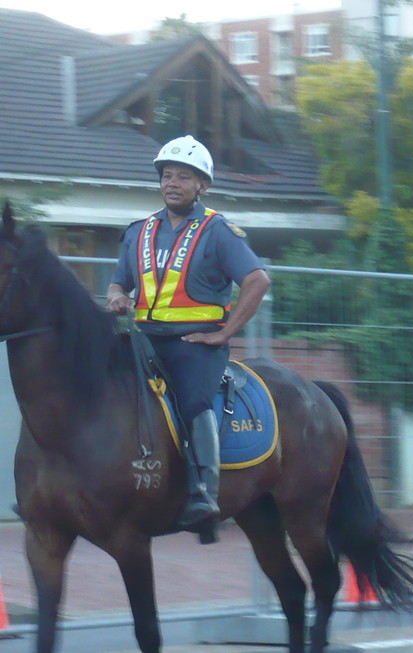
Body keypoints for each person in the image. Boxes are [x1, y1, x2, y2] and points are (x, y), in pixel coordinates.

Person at [107, 135, 271, 542]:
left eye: (183, 176)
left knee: (193, 400)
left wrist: (225, 333)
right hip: (142, 339)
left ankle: (203, 496)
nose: (172, 182)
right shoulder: (138, 232)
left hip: (193, 344)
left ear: (203, 185)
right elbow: (118, 282)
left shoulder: (219, 232)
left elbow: (257, 280)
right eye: (167, 175)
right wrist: (115, 296)